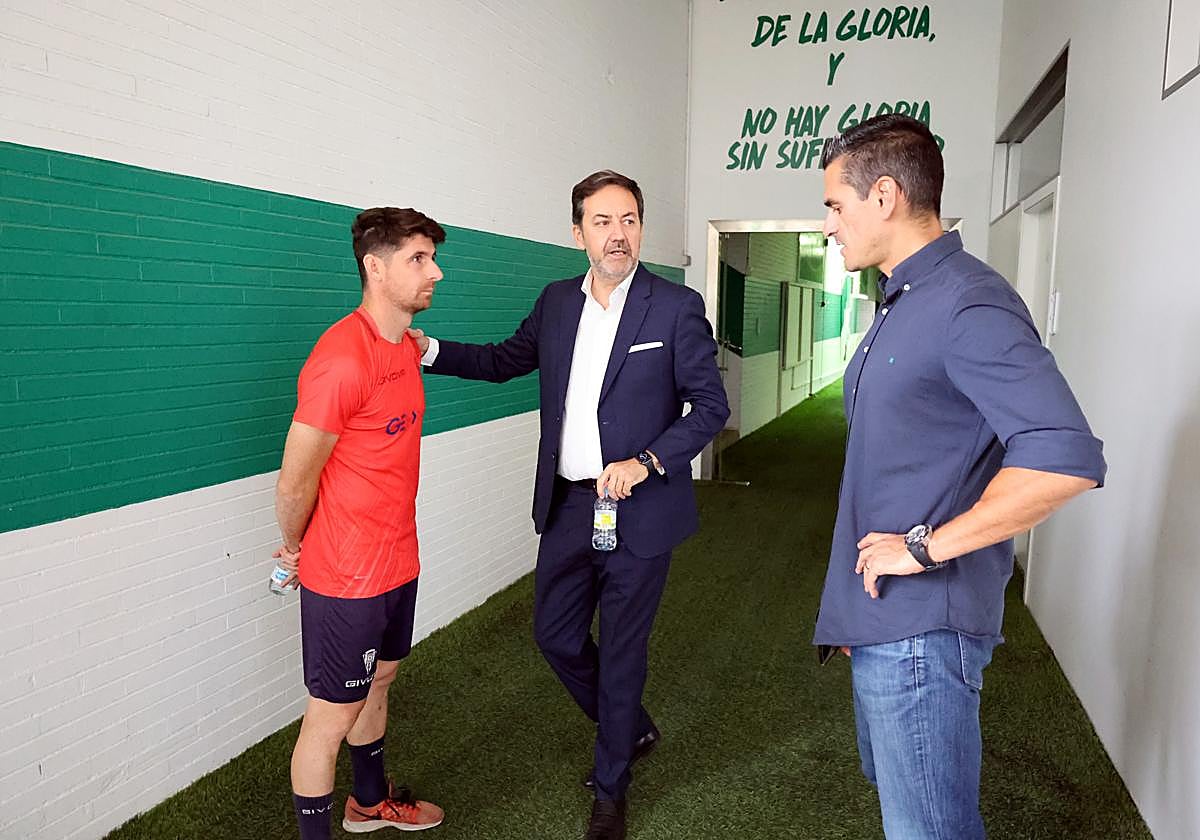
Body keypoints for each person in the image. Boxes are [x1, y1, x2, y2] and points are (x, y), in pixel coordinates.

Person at [409, 170, 730, 840]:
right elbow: (503, 360)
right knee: (554, 635)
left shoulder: (674, 306)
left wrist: (646, 462)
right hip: (568, 507)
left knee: (623, 652)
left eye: (629, 220)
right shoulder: (557, 302)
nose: (618, 234)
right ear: (578, 232)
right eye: (603, 221)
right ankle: (629, 727)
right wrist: (428, 350)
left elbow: (709, 407)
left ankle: (611, 790)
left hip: (640, 511)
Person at [813, 114, 1107, 839]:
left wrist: (922, 549)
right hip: (883, 618)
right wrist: (855, 612)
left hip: (923, 630)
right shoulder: (903, 298)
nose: (829, 225)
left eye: (836, 206)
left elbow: (1063, 457)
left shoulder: (968, 301)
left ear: (885, 196)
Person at [273, 207, 448, 839]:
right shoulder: (341, 358)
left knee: (381, 680)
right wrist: (293, 546)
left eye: (432, 257)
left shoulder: (404, 347)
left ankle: (369, 804)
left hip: (398, 558)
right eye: (418, 259)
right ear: (375, 267)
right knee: (329, 717)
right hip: (346, 574)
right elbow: (295, 480)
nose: (435, 272)